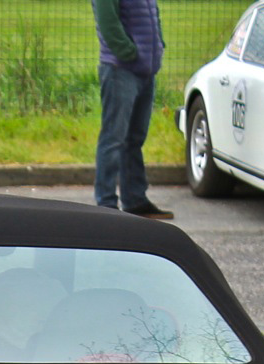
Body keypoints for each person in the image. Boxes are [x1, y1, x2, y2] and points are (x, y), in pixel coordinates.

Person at [92, 0, 172, 219]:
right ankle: (106, 205)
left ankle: (135, 201)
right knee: (114, 138)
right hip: (120, 70)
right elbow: (108, 22)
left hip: (145, 69)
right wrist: (128, 52)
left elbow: (153, 13)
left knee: (134, 139)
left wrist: (159, 45)